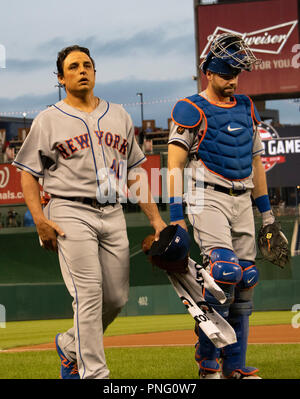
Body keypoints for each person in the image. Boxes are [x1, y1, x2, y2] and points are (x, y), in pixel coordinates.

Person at [12, 45, 166, 379]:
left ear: (95, 72)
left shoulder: (119, 115)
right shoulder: (49, 119)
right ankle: (94, 373)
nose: (82, 70)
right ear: (61, 78)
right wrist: (40, 219)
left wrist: (155, 220)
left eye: (87, 65)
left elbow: (136, 170)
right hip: (69, 211)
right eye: (73, 66)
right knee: (89, 293)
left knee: (116, 297)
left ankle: (69, 346)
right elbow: (27, 172)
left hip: (112, 211)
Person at [167, 33, 276, 379]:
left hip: (243, 198)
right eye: (226, 72)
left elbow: (257, 165)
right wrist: (176, 217)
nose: (232, 80)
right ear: (208, 72)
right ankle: (208, 361)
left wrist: (268, 214)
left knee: (246, 281)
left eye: (236, 73)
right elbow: (173, 165)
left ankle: (235, 367)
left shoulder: (247, 107)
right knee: (224, 273)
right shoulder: (190, 109)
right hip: (206, 195)